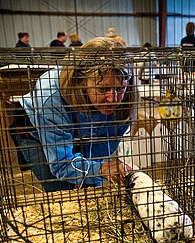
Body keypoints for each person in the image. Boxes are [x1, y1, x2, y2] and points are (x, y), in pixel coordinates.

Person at [14, 37, 138, 192]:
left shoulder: (127, 99)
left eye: (119, 89)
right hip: (36, 131)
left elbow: (103, 146)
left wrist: (100, 170)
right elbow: (61, 164)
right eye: (103, 89)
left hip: (84, 126)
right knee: (62, 190)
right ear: (82, 81)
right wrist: (100, 169)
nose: (113, 99)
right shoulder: (51, 97)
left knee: (91, 186)